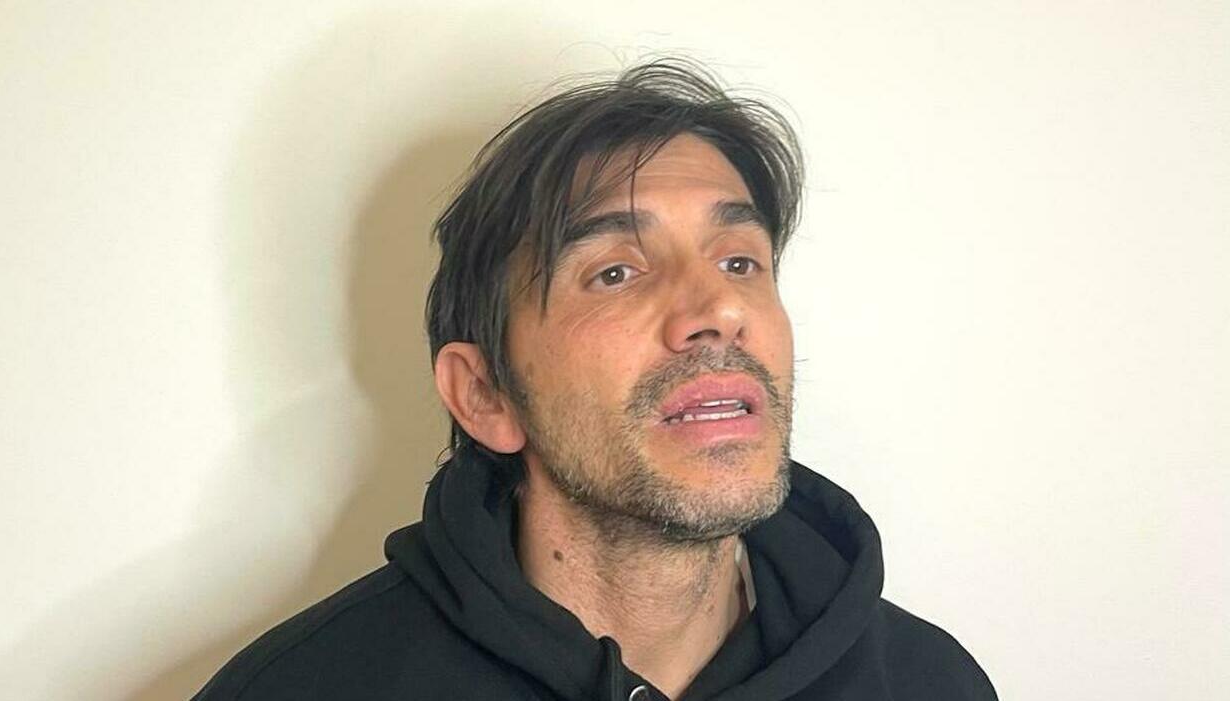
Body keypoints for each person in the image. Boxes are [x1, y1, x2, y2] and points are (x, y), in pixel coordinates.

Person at [193, 59, 997, 701]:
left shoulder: (929, 682)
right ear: (485, 394)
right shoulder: (302, 686)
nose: (719, 309)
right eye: (615, 271)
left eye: (740, 262)